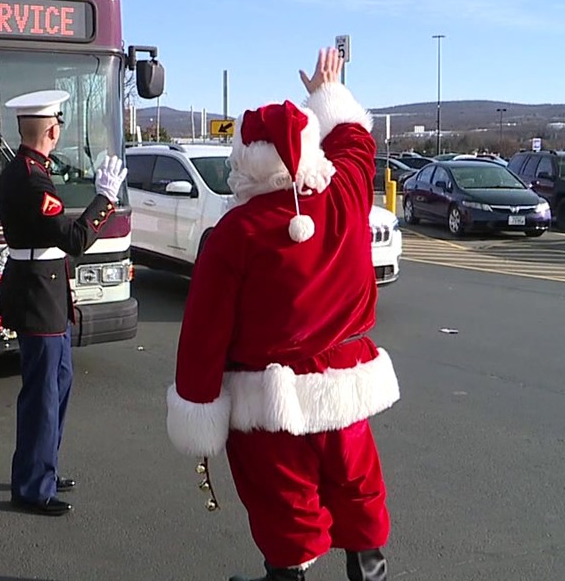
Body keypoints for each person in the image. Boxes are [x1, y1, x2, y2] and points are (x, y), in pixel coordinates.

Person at [164, 48, 400, 581]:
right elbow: (357, 145)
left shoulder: (234, 234)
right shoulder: (344, 198)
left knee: (285, 511)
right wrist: (327, 92)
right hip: (345, 392)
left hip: (269, 405)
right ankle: (370, 572)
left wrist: (200, 411)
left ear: (246, 162)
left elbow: (204, 333)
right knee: (358, 491)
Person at [0, 89, 128, 516]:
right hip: (39, 294)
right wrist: (105, 199)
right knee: (43, 392)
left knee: (59, 381)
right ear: (52, 130)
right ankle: (33, 485)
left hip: (43, 288)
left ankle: (43, 466)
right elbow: (74, 240)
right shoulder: (32, 178)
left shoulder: (24, 170)